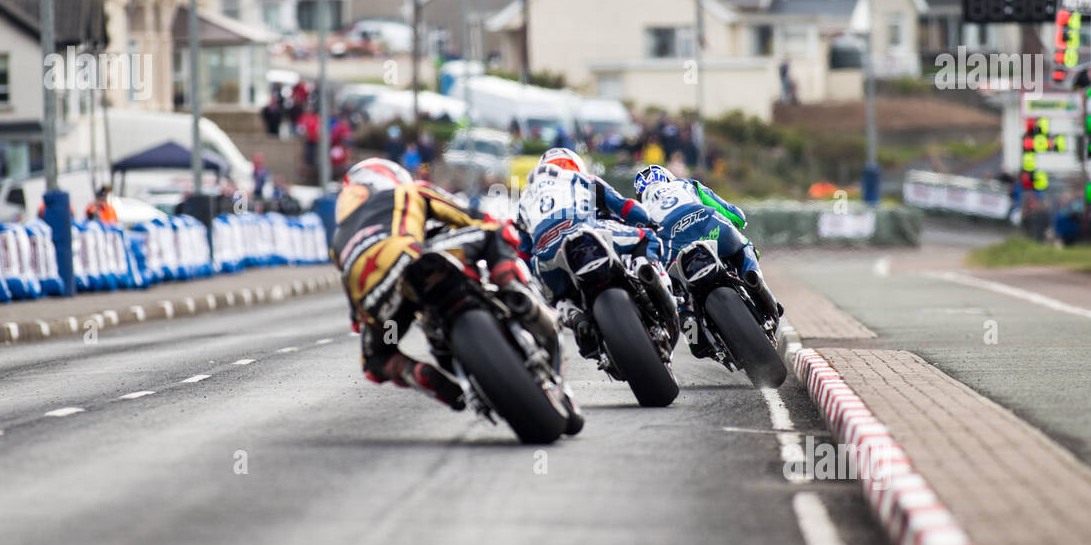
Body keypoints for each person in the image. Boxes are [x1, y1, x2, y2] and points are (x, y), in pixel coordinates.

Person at [330, 158, 540, 411]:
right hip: (414, 261)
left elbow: (356, 317)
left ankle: (423, 376)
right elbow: (465, 216)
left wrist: (381, 323)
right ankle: (515, 293)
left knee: (377, 360)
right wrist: (500, 227)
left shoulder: (339, 240)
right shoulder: (407, 191)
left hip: (387, 311)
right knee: (494, 235)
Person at [515, 147, 674, 357]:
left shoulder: (525, 199)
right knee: (646, 238)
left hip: (546, 255)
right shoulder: (581, 179)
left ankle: (572, 315)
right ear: (574, 165)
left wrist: (534, 283)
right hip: (587, 231)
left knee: (557, 297)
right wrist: (648, 222)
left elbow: (524, 254)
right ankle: (644, 269)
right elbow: (624, 207)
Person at [632, 163, 782, 356]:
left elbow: (640, 244)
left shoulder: (639, 209)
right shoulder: (688, 185)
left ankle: (691, 329)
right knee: (744, 247)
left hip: (671, 245)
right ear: (668, 178)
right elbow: (734, 213)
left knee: (676, 296)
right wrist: (738, 221)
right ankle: (755, 281)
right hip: (709, 225)